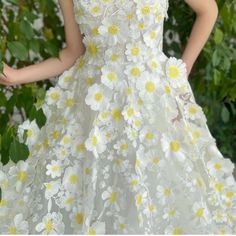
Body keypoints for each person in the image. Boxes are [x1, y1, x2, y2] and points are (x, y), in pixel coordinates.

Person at [0, 0, 235, 234]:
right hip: (91, 111)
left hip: (152, 104)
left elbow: (208, 10)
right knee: (93, 196)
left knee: (152, 193)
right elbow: (73, 52)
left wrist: (181, 71)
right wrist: (16, 76)